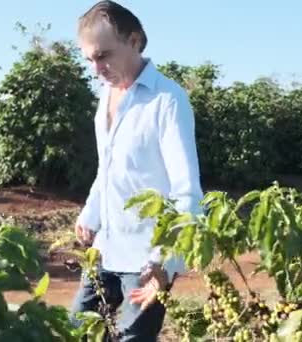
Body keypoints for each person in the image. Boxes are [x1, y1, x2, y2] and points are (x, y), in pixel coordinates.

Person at [71, 1, 205, 340]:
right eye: (89, 59)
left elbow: (187, 192)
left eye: (103, 56)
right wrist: (91, 214)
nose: (96, 69)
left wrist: (166, 264)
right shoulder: (106, 97)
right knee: (75, 332)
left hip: (148, 261)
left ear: (134, 41)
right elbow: (109, 168)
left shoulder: (167, 101)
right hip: (106, 250)